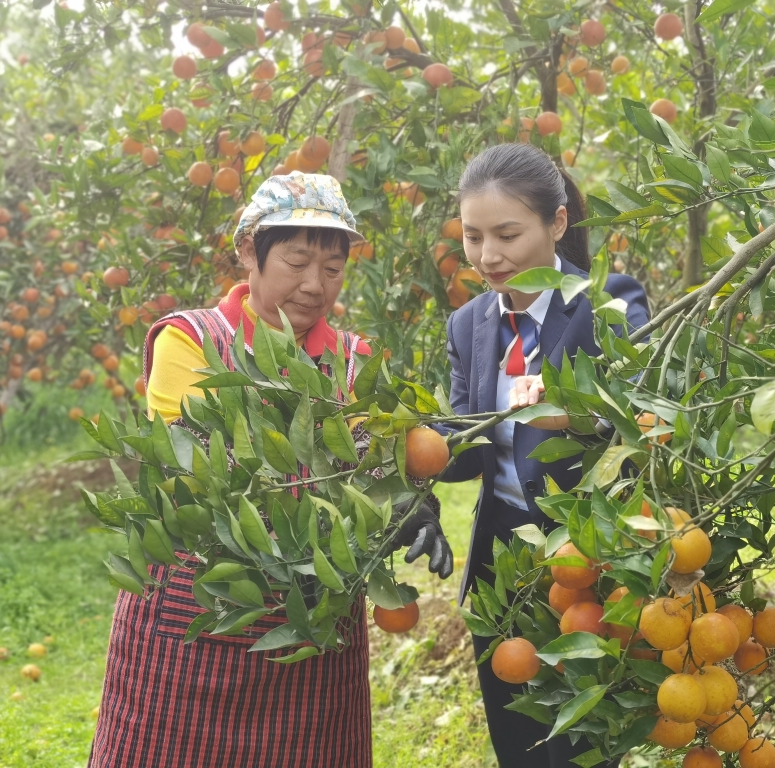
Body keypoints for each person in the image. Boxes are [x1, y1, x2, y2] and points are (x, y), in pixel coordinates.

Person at [89, 172, 450, 768]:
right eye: (297, 261)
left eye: (332, 269)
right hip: (192, 624)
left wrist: (411, 497)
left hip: (311, 638)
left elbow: (380, 458)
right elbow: (213, 467)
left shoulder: (356, 361)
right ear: (248, 252)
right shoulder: (191, 342)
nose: (314, 285)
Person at [438, 143, 650, 768]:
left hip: (585, 557)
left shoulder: (607, 302)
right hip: (501, 565)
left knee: (583, 745)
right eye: (474, 238)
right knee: (518, 741)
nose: (488, 257)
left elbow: (645, 413)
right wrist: (404, 441)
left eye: (507, 234)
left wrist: (574, 408)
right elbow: (464, 449)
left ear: (556, 224)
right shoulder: (469, 324)